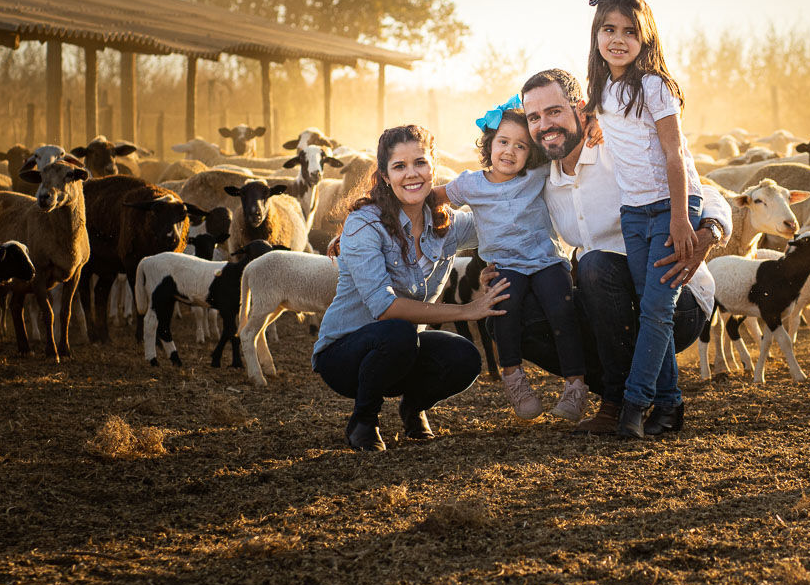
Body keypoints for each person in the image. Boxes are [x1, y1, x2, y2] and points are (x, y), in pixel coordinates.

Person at [514, 67, 731, 435]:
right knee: (519, 314)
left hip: (676, 296)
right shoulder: (542, 180)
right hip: (607, 305)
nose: (544, 124)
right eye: (534, 117)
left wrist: (710, 230)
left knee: (595, 266)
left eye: (554, 112)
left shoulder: (615, 147)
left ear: (582, 110)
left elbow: (701, 189)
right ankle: (629, 390)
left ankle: (617, 403)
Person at [312, 124, 510, 452]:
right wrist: (465, 310)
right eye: (399, 166)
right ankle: (363, 420)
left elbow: (502, 223)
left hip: (401, 349)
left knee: (464, 356)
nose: (411, 174)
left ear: (434, 167)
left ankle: (413, 406)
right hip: (345, 354)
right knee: (398, 331)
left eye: (420, 163)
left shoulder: (448, 225)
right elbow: (384, 307)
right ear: (386, 177)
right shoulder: (365, 224)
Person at [585, 0, 705, 439]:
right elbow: (604, 119)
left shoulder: (654, 85)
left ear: (645, 38)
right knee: (647, 306)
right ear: (596, 36)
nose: (618, 40)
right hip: (633, 212)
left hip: (672, 207)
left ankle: (634, 405)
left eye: (629, 32)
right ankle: (671, 405)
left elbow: (674, 154)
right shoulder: (601, 90)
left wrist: (680, 217)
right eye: (609, 30)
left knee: (657, 308)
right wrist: (591, 122)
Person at [440, 99, 587, 422]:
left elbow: (574, 153)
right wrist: (371, 216)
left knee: (562, 309)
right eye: (502, 142)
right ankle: (514, 378)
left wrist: (594, 128)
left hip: (547, 260)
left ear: (530, 153)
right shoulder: (470, 184)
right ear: (489, 144)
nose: (510, 151)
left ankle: (576, 383)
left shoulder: (536, 174)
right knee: (503, 307)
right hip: (505, 265)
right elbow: (430, 199)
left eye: (520, 146)